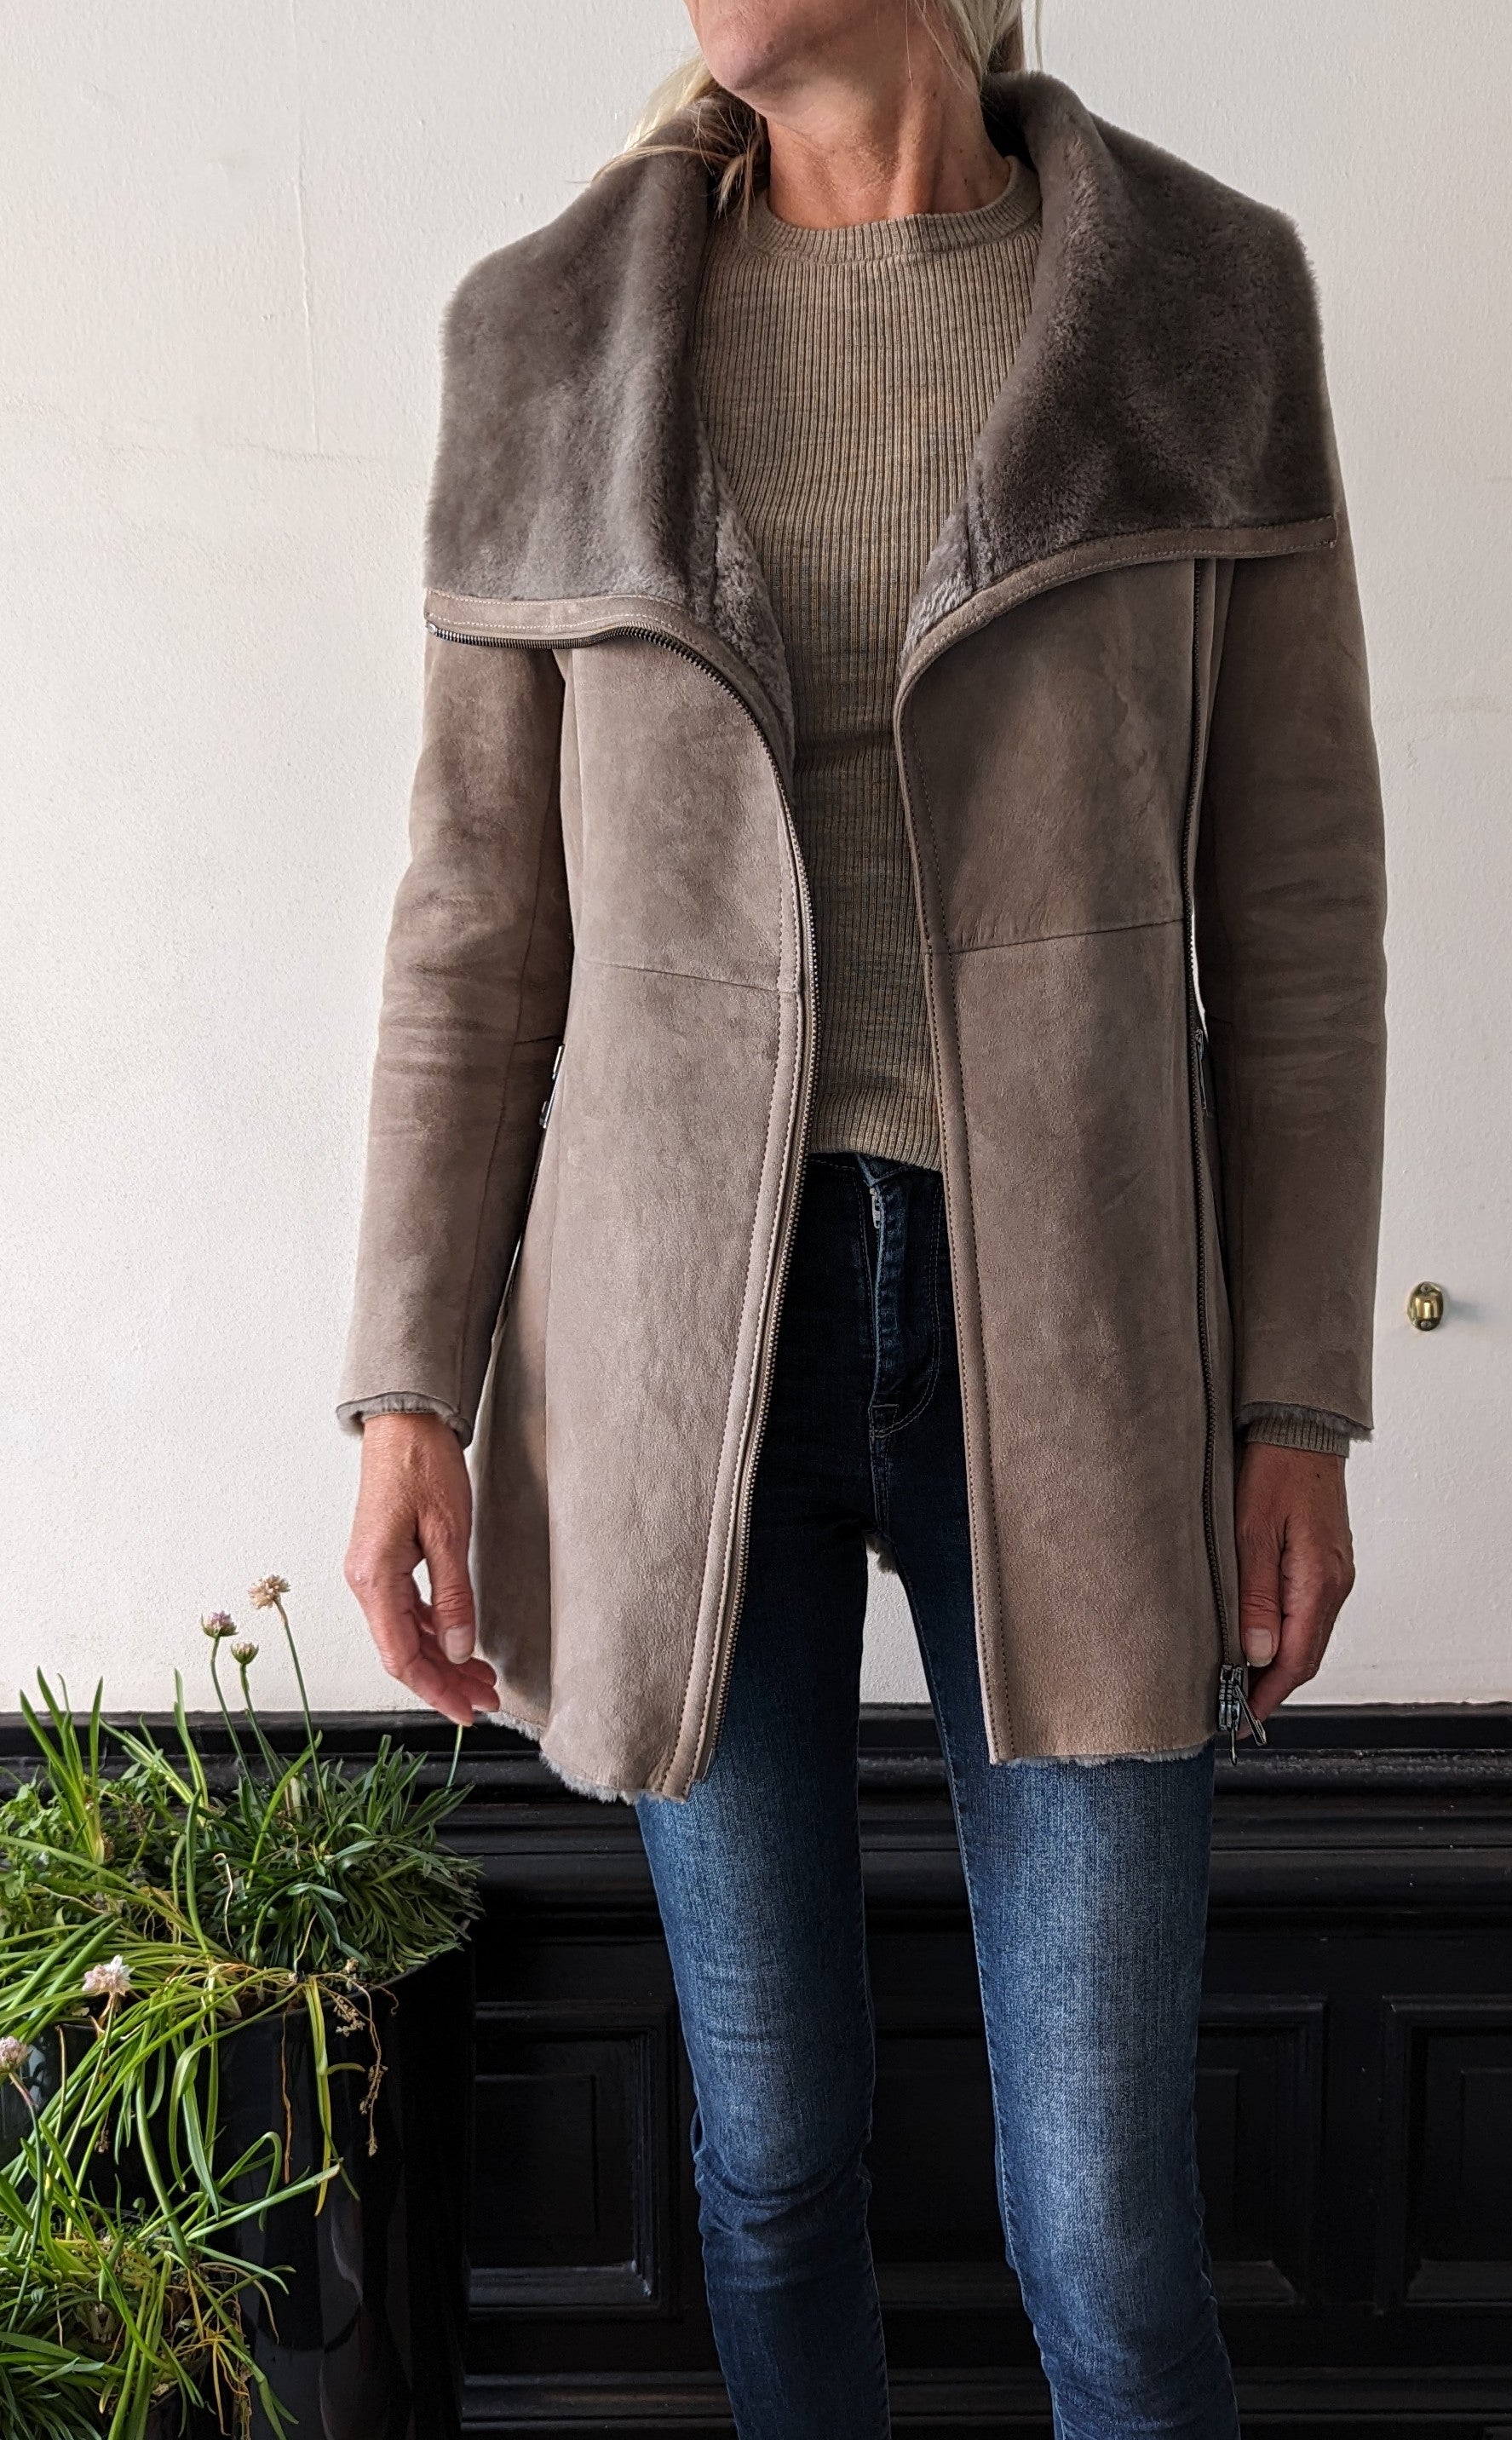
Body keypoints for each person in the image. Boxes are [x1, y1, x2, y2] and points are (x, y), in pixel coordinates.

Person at [339, 3, 1386, 2431]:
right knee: (776, 2158)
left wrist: (1300, 1397)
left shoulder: (1197, 303)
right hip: (671, 1362)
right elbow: (475, 931)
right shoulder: (548, 339)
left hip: (1090, 1337)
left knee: (1103, 2223)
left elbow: (1298, 911)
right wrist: (407, 1391)